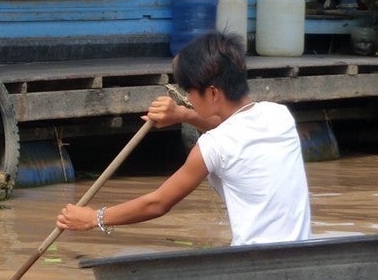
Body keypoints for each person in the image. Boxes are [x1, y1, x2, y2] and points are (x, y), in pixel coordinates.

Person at [56, 30, 311, 245]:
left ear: (212, 93)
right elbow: (229, 126)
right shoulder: (279, 116)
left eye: (189, 92)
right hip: (301, 252)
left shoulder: (212, 145)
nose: (188, 99)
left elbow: (157, 203)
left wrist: (94, 218)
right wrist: (183, 115)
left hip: (253, 262)